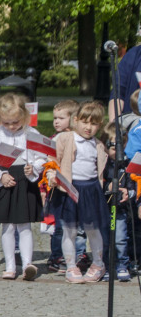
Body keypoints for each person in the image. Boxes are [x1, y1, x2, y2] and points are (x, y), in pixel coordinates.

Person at [0, 94, 46, 281]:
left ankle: (27, 263)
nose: (11, 126)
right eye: (7, 122)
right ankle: (10, 265)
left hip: (25, 179)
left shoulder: (31, 133)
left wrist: (34, 167)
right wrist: (0, 175)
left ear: (25, 116)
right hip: (5, 179)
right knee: (8, 226)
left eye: (16, 122)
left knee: (24, 225)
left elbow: (42, 156)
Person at [48, 101, 109, 283]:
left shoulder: (98, 145)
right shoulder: (65, 139)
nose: (88, 127)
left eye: (94, 123)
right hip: (70, 189)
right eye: (85, 122)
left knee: (92, 229)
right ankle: (71, 265)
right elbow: (52, 158)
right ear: (76, 120)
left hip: (91, 190)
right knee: (70, 229)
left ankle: (98, 263)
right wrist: (51, 174)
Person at [46, 100, 80, 272]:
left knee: (75, 225)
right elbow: (51, 161)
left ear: (73, 119)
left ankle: (77, 255)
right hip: (59, 187)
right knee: (59, 225)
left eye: (61, 118)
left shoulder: (78, 137)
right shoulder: (57, 138)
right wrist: (51, 175)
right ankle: (56, 256)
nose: (56, 121)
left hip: (75, 185)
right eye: (55, 118)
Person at [102, 122, 134, 282]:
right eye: (114, 148)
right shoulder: (103, 164)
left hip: (119, 209)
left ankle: (122, 264)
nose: (117, 152)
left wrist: (129, 192)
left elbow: (132, 183)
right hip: (104, 208)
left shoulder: (127, 164)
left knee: (120, 238)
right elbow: (98, 183)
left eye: (121, 147)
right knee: (105, 240)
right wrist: (108, 186)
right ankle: (106, 266)